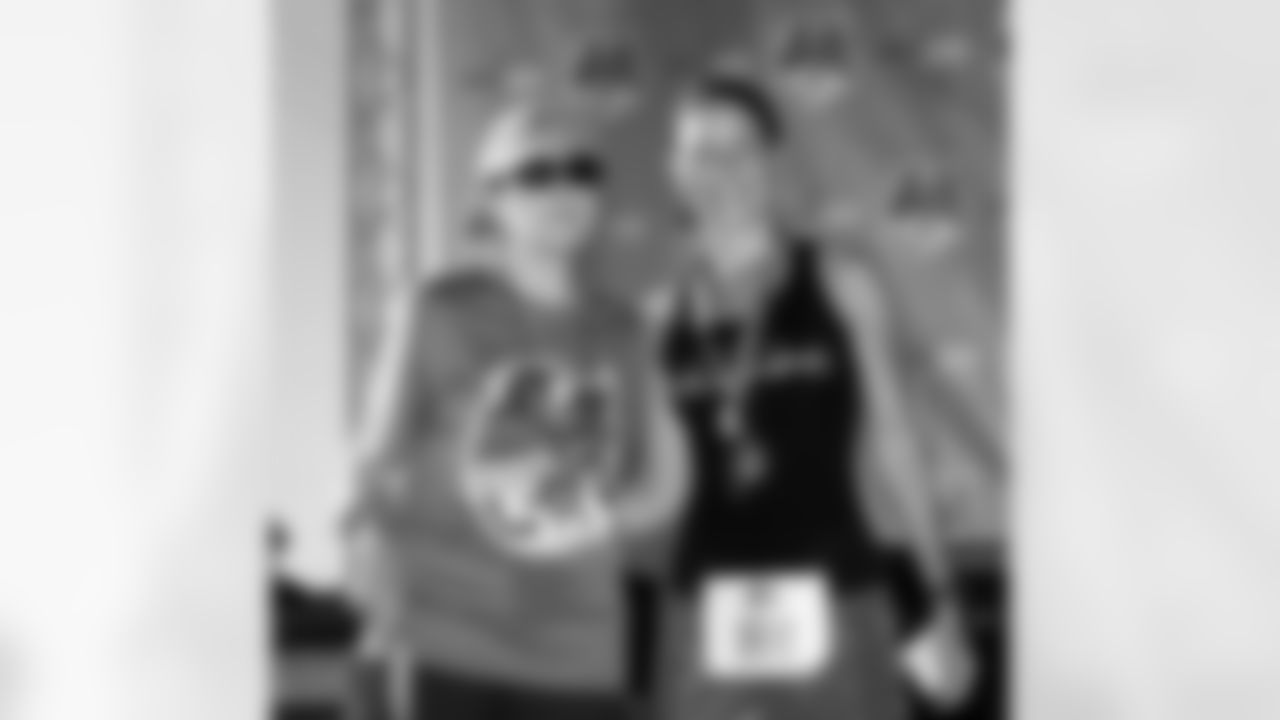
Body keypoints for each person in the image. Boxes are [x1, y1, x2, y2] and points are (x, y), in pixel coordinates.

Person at [648, 74, 977, 720]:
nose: (723, 170)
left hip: (838, 595)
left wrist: (942, 595)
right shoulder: (657, 316)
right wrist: (572, 508)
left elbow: (896, 446)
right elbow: (662, 487)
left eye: (741, 148)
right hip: (705, 606)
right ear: (674, 169)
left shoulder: (841, 282)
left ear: (772, 159)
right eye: (702, 152)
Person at [344, 105, 687, 720]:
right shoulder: (437, 309)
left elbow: (659, 488)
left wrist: (599, 520)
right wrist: (362, 541)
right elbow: (375, 458)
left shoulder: (626, 330)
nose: (562, 189)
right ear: (492, 199)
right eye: (536, 173)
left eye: (581, 170)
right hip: (441, 643)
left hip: (577, 657)